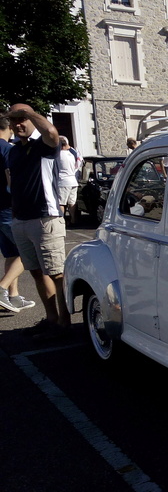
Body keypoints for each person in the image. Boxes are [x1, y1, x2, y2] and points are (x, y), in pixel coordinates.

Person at [6, 103, 71, 338]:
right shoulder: (13, 151)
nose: (18, 124)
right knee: (35, 272)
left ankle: (65, 322)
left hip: (45, 218)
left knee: (56, 273)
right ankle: (51, 319)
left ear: (33, 120)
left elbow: (52, 133)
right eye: (14, 120)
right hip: (21, 220)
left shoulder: (43, 145)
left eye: (22, 119)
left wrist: (30, 112)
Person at [0, 114, 36, 313]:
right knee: (26, 251)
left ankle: (12, 297)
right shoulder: (7, 149)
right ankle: (2, 288)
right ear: (9, 128)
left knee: (12, 253)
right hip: (8, 208)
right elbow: (11, 179)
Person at [57, 136, 80, 225]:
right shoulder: (72, 154)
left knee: (61, 203)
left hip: (63, 180)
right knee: (72, 202)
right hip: (73, 180)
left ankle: (62, 220)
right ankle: (73, 219)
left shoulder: (58, 155)